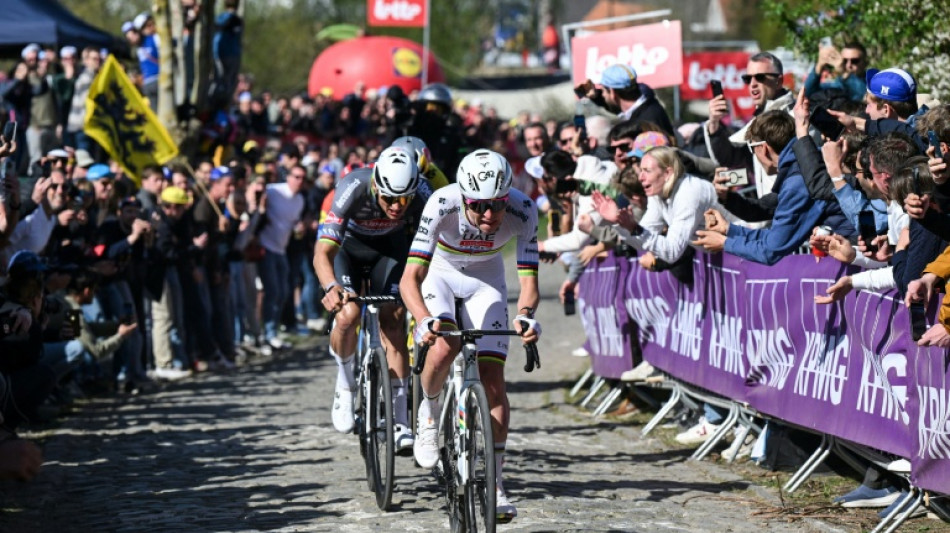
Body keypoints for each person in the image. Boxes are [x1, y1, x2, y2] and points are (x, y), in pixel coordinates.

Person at [400, 149, 541, 523]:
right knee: (445, 345)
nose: (490, 215)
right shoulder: (441, 203)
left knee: (494, 381)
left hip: (486, 279)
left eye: (497, 205)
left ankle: (495, 485)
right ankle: (428, 412)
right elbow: (410, 278)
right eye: (479, 207)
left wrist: (526, 316)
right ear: (463, 198)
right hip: (441, 274)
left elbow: (528, 282)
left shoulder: (524, 210)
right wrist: (423, 319)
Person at [314, 146, 428, 451]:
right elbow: (322, 252)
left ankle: (400, 420)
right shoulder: (353, 186)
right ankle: (345, 383)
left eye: (404, 199)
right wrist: (330, 287)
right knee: (348, 315)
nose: (397, 206)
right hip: (348, 250)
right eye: (390, 198)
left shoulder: (422, 192)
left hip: (389, 250)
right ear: (376, 186)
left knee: (393, 319)